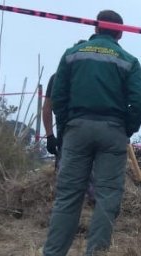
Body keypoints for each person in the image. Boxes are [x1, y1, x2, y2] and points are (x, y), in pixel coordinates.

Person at [40, 10, 141, 256]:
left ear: (96, 28)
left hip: (77, 128)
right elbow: (140, 101)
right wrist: (126, 129)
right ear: (120, 33)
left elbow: (59, 95)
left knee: (68, 195)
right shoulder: (129, 61)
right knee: (108, 196)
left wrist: (66, 127)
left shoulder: (71, 55)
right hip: (113, 130)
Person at [41, 56, 95, 207]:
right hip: (75, 139)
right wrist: (50, 136)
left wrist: (50, 135)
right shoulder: (59, 77)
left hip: (70, 138)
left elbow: (47, 108)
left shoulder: (59, 76)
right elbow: (47, 108)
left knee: (68, 183)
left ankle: (73, 211)